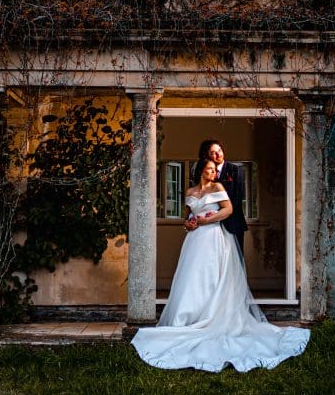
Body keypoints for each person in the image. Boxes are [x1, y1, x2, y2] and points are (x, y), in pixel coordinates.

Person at [131, 159, 309, 372]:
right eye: (210, 169)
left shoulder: (218, 187)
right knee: (192, 278)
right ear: (200, 171)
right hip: (194, 240)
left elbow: (228, 210)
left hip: (214, 236)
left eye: (215, 169)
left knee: (212, 276)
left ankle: (212, 316)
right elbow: (188, 215)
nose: (214, 172)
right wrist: (188, 223)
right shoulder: (190, 191)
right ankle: (188, 318)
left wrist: (207, 220)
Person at [187, 139, 247, 257]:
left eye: (219, 150)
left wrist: (215, 214)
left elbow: (237, 198)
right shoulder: (204, 173)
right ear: (207, 155)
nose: (218, 154)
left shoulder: (235, 170)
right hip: (207, 229)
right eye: (214, 152)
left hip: (232, 223)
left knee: (234, 261)